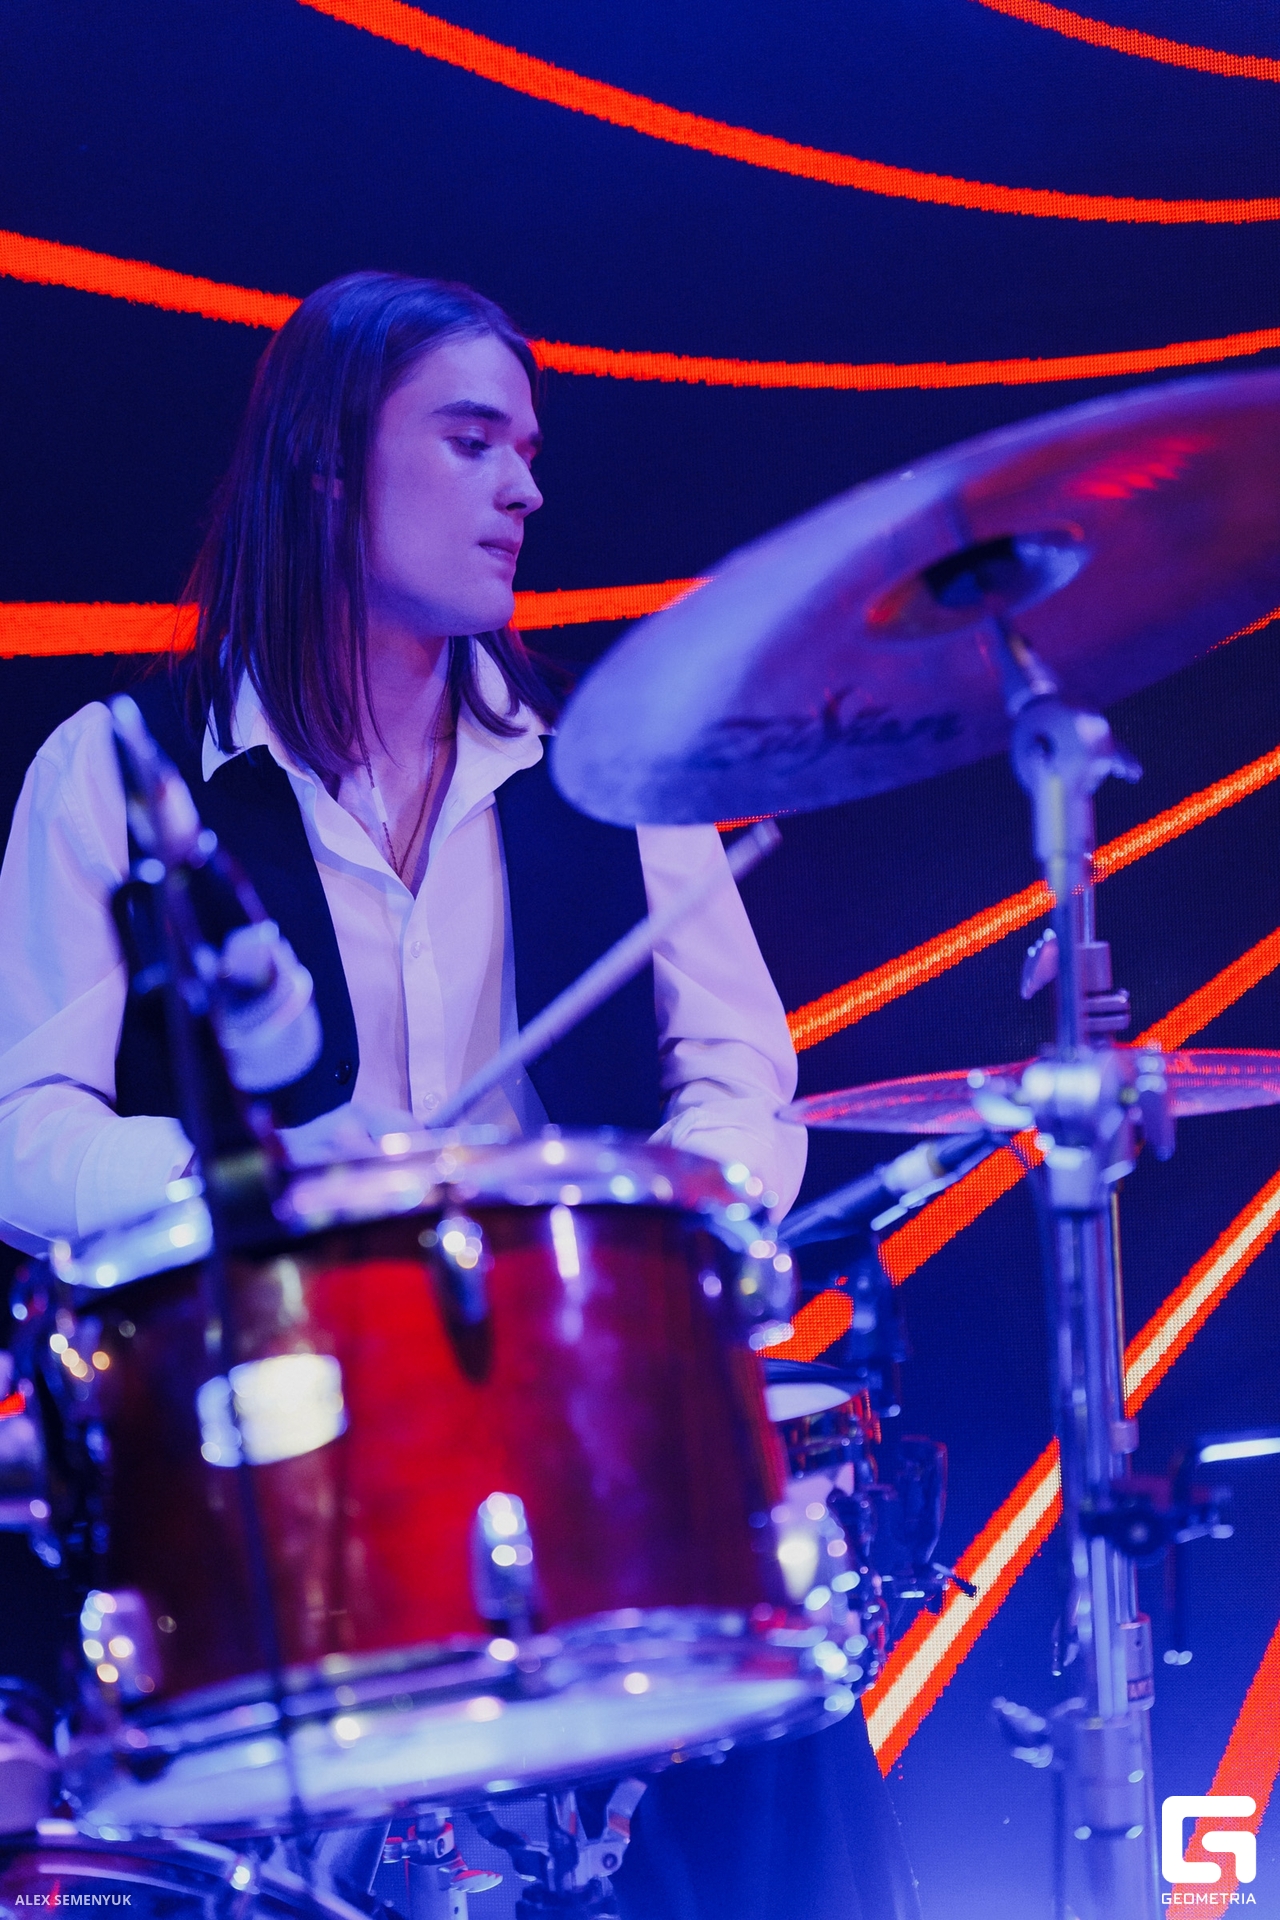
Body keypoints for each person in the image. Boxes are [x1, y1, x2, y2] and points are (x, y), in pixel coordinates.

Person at [0, 272, 918, 1917]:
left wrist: (651, 1241)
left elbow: (739, 1085)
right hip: (261, 1451)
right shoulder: (119, 769)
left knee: (783, 1701)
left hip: (571, 1441)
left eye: (528, 451)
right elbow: (22, 1123)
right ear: (327, 465)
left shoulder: (603, 768)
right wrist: (242, 1193)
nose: (524, 491)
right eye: (473, 441)